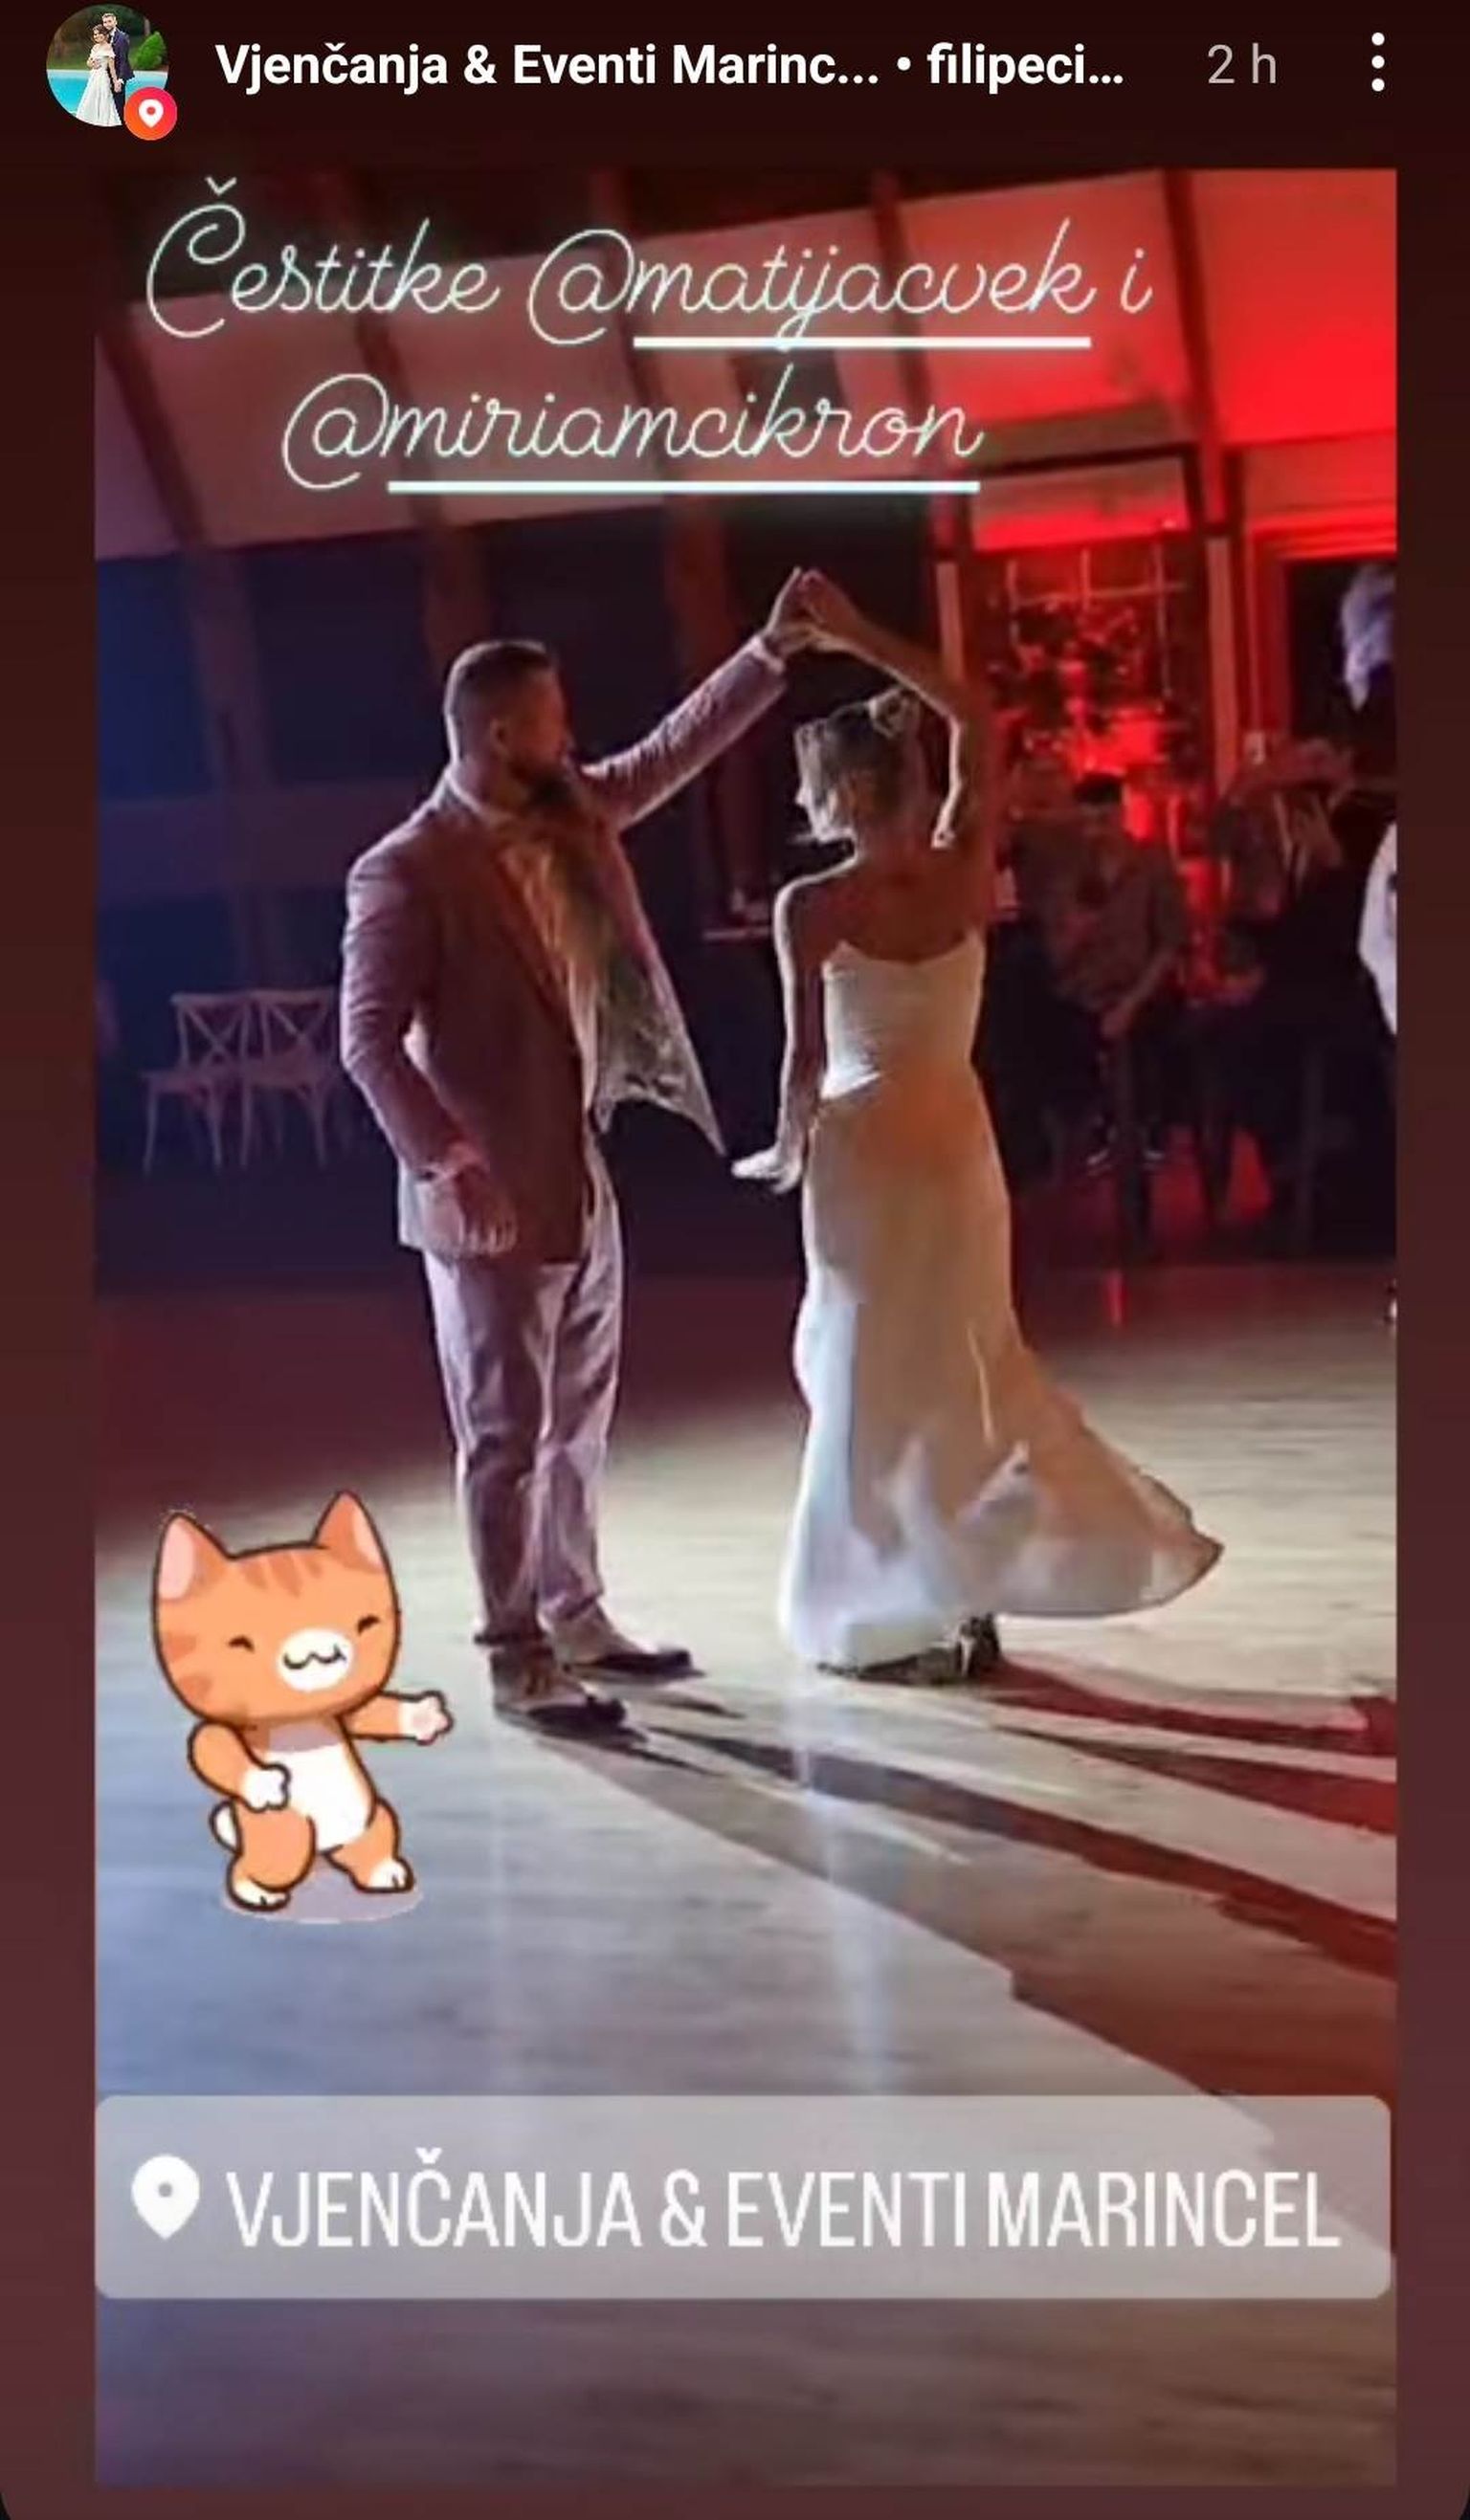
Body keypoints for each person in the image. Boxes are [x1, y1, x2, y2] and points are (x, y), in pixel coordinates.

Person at [341, 576, 812, 1734]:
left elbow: (667, 754)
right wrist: (449, 1163)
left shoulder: (569, 810)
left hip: (581, 1166)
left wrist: (765, 653)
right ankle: (515, 1655)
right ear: (502, 734)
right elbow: (364, 1041)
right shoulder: (405, 868)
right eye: (554, 718)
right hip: (487, 1192)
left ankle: (577, 1609)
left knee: (580, 1416)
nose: (573, 734)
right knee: (504, 1434)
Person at [734, 574, 1220, 1682]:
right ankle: (964, 1581)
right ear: (911, 780)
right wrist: (860, 630)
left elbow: (802, 1064)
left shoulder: (812, 906)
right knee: (964, 1374)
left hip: (864, 1155)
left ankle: (886, 1601)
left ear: (836, 795)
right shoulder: (962, 866)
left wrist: (785, 1147)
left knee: (868, 1382)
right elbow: (975, 716)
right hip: (957, 1147)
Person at [1038, 772, 1191, 1169]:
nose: (1095, 834)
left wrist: (1131, 1004)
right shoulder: (1068, 875)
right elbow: (1055, 958)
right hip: (1085, 993)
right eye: (1086, 824)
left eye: (1103, 821)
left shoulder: (1152, 865)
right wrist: (1077, 931)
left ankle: (1152, 1123)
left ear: (1121, 815)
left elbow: (1171, 943)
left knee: (1160, 1032)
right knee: (1055, 1035)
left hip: (1142, 988)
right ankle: (1093, 1126)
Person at [76, 26, 121, 124]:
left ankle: (103, 121)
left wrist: (115, 82)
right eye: (95, 34)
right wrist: (91, 64)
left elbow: (112, 68)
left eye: (99, 33)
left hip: (102, 77)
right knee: (90, 96)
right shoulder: (95, 47)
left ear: (105, 35)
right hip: (93, 76)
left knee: (103, 97)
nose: (96, 36)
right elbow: (88, 62)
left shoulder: (108, 47)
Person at [100, 11, 134, 98]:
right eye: (105, 22)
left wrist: (120, 79)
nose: (107, 24)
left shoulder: (122, 37)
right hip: (106, 75)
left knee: (118, 101)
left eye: (109, 21)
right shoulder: (103, 37)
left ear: (115, 22)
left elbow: (123, 59)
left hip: (119, 74)